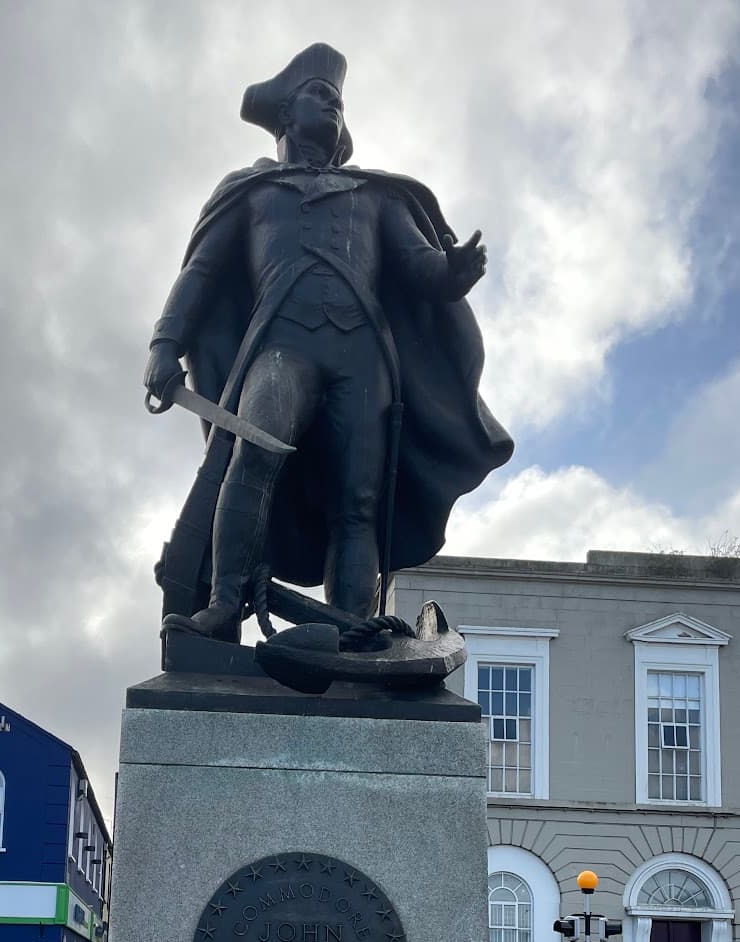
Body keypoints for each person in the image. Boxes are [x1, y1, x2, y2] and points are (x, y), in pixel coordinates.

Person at [144, 42, 513, 637]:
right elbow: (204, 274)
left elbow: (421, 268)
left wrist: (454, 273)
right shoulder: (251, 190)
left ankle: (348, 628)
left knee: (358, 499)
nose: (335, 106)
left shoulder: (375, 195)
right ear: (287, 113)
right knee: (254, 453)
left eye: (339, 101)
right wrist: (165, 344)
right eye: (321, 95)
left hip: (364, 358)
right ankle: (222, 605)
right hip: (281, 346)